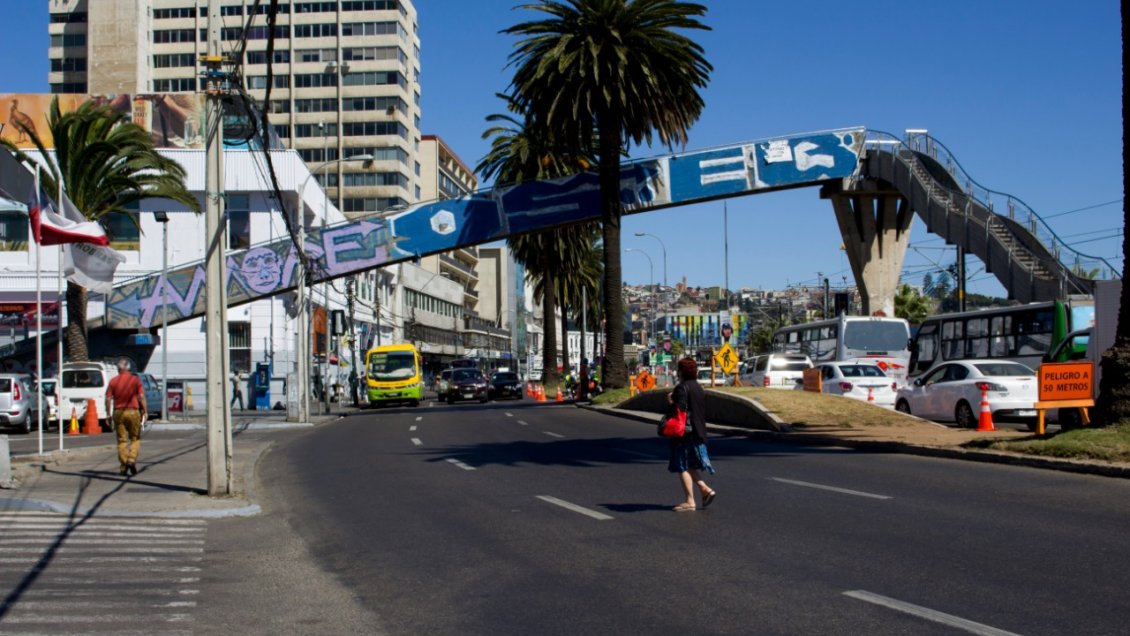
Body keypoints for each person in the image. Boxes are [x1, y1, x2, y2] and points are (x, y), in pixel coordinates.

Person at [667, 357, 716, 512]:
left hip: (685, 432)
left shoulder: (682, 388)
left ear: (681, 371)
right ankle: (704, 489)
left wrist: (670, 402)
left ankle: (690, 501)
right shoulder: (698, 387)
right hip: (697, 430)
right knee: (688, 464)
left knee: (682, 464)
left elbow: (680, 410)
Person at [105, 358, 147, 477]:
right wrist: (145, 411)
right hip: (133, 411)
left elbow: (108, 399)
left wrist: (108, 414)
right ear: (129, 368)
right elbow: (141, 396)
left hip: (118, 412)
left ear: (118, 369)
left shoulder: (113, 381)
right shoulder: (135, 380)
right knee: (135, 438)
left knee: (121, 440)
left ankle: (124, 465)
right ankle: (131, 459)